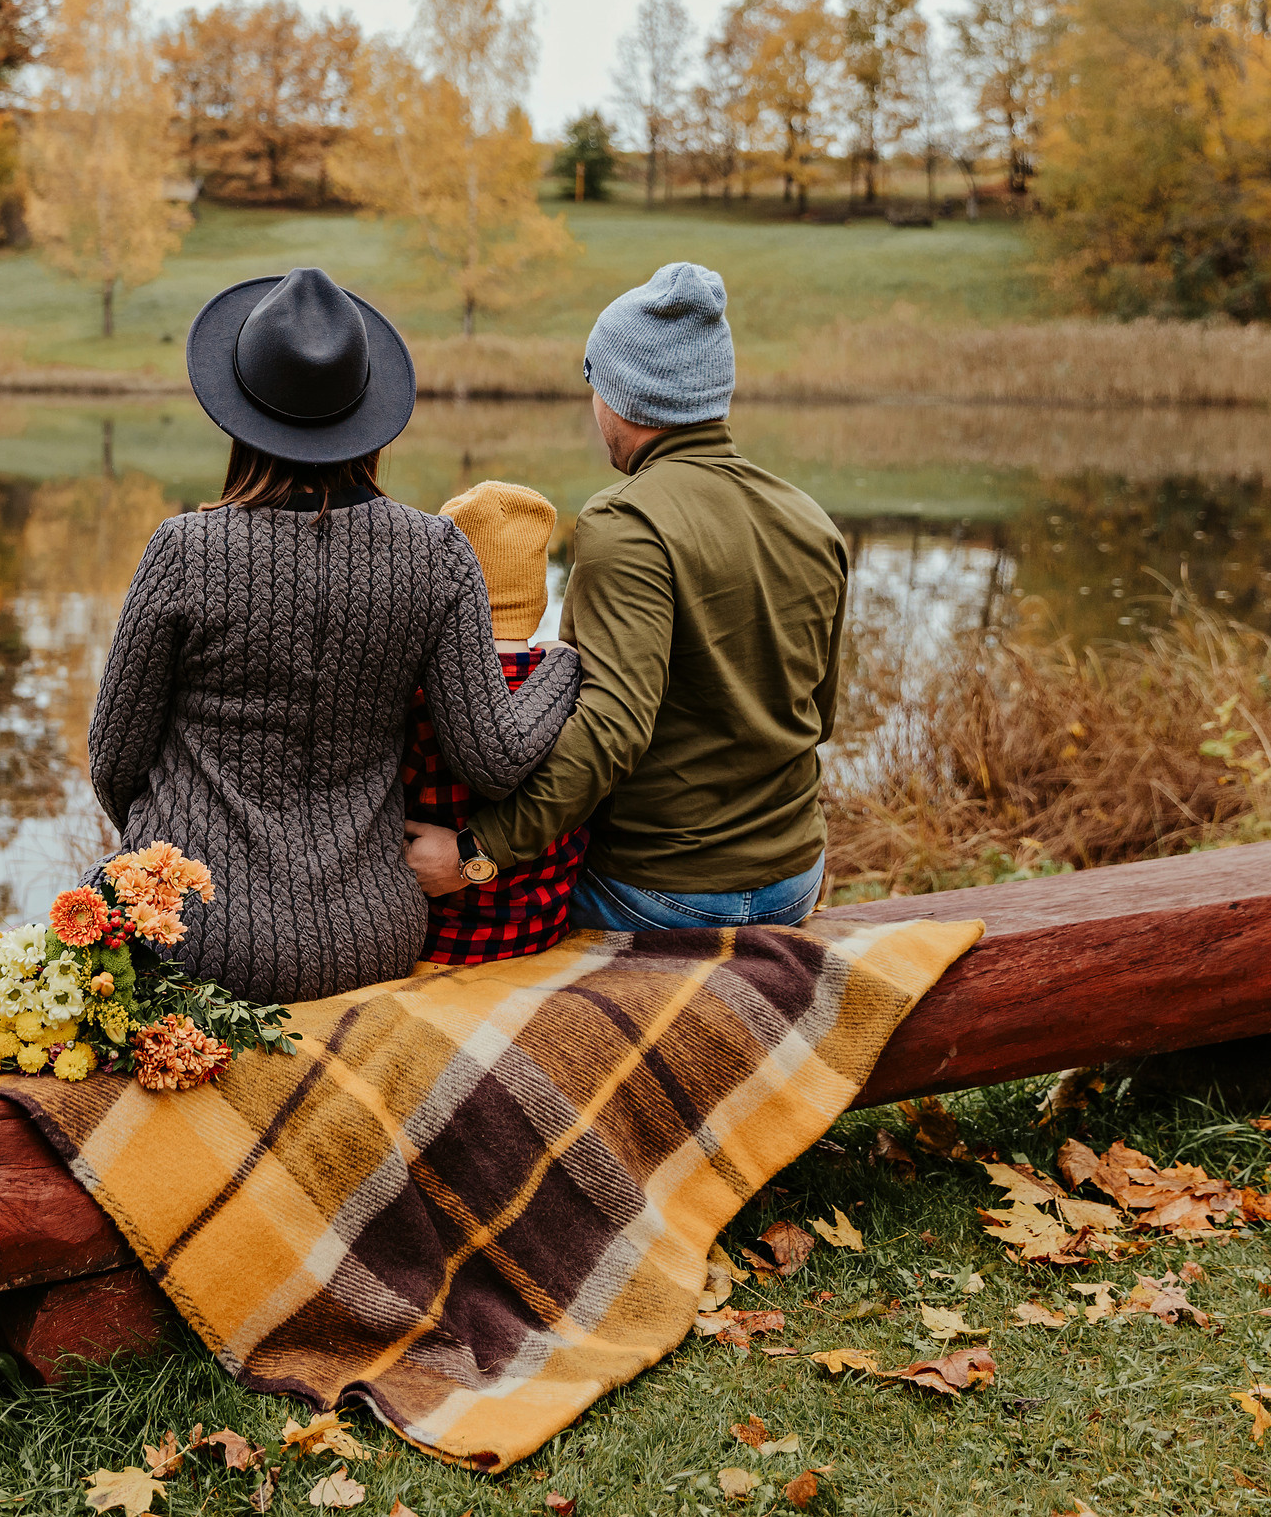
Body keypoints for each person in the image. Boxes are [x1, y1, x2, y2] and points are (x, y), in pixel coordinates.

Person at [88, 267, 581, 1004]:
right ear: (366, 413)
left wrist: (189, 849)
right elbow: (495, 757)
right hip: (371, 936)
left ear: (239, 413)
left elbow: (114, 762)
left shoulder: (184, 549)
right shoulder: (436, 553)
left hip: (193, 934)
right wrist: (566, 662)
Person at [404, 262, 849, 934]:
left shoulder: (627, 522)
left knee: (472, 916)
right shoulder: (810, 518)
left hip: (663, 894)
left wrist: (473, 853)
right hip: (796, 879)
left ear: (617, 392)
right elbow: (819, 713)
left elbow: (610, 728)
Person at [400, 481, 590, 967]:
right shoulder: (580, 694)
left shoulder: (418, 697)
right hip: (542, 932)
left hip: (441, 944)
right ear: (537, 597)